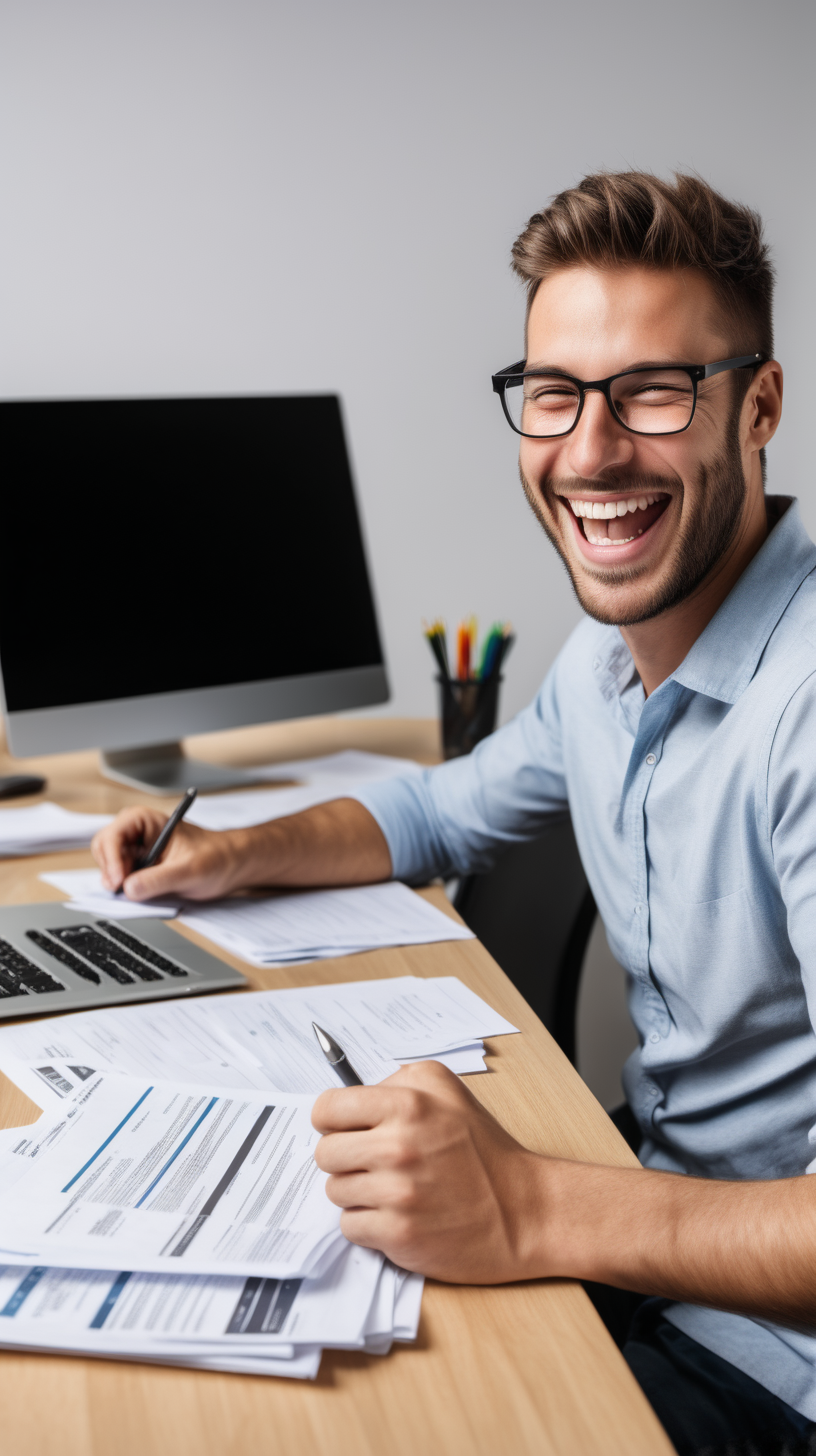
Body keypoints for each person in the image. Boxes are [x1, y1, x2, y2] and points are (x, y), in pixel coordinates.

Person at [93, 172, 816, 1455]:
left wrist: (532, 1208)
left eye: (656, 391)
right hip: (651, 1251)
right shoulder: (610, 666)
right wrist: (230, 854)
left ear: (758, 408)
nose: (591, 450)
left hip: (773, 1363)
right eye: (555, 394)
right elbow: (435, 810)